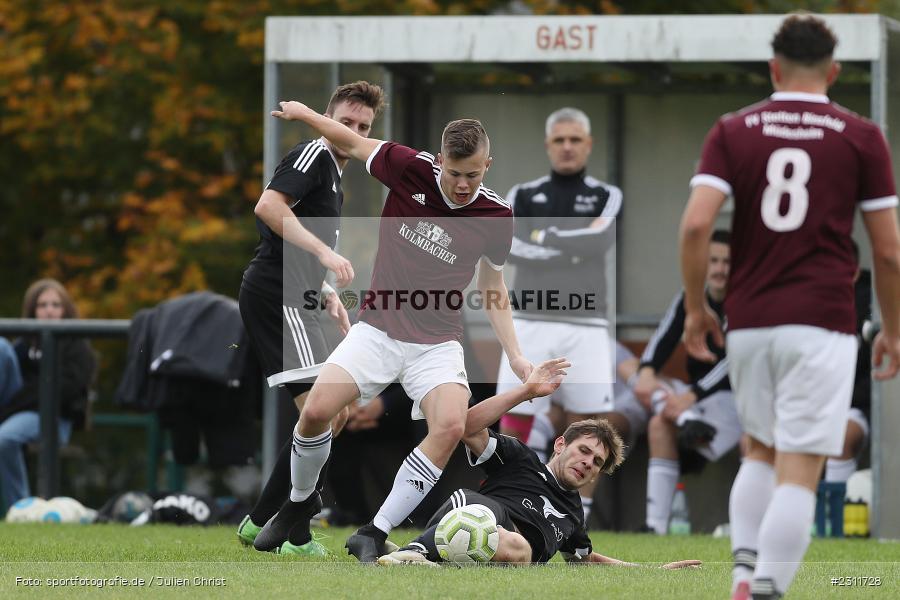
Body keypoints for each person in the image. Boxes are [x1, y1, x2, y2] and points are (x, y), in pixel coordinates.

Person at [679, 14, 900, 599]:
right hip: (823, 322)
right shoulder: (861, 136)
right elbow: (889, 251)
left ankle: (743, 577)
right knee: (801, 467)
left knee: (760, 449)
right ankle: (767, 590)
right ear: (835, 71)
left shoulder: (733, 129)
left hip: (749, 321)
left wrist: (698, 309)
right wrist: (894, 329)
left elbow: (697, 224)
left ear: (773, 69)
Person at [255, 101, 532, 560]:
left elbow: (492, 286)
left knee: (450, 425)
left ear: (488, 166)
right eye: (454, 173)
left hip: (437, 344)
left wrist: (516, 354)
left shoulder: (497, 215)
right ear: (439, 161)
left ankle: (374, 531)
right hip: (378, 330)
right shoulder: (408, 166)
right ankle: (299, 504)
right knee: (316, 412)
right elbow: (349, 140)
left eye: (473, 175)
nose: (463, 185)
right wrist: (305, 114)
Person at [235, 81, 386, 548]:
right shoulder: (314, 154)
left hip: (298, 295)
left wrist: (325, 291)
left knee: (334, 413)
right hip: (276, 294)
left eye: (363, 127)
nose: (353, 131)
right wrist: (324, 253)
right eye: (345, 122)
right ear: (327, 119)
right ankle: (293, 530)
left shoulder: (335, 174)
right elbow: (268, 206)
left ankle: (264, 519)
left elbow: (293, 240)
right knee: (320, 413)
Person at [377, 358, 699, 569]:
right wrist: (525, 392)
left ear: (596, 475)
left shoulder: (574, 516)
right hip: (478, 516)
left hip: (513, 551)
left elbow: (585, 561)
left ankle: (422, 554)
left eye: (597, 462)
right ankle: (416, 552)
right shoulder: (520, 458)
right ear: (560, 445)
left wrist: (654, 570)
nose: (588, 462)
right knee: (475, 508)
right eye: (584, 450)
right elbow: (468, 427)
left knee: (519, 546)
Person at [497, 107, 621, 520]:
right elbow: (510, 245)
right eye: (560, 140)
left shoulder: (606, 195)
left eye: (575, 140)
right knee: (516, 413)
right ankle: (515, 506)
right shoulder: (523, 194)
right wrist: (570, 248)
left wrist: (544, 235)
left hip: (588, 322)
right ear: (548, 145)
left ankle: (575, 519)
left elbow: (600, 240)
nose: (567, 147)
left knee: (591, 426)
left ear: (588, 145)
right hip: (530, 319)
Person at [634, 230, 742, 535]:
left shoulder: (744, 300)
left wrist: (692, 395)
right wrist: (647, 371)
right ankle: (655, 528)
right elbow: (664, 336)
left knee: (755, 442)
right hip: (699, 401)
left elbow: (734, 361)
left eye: (727, 262)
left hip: (741, 400)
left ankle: (751, 528)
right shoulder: (692, 297)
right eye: (713, 261)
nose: (720, 269)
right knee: (658, 422)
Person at [0, 279, 96, 509]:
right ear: (32, 310)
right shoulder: (23, 345)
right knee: (1, 347)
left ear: (65, 309)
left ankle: (22, 507)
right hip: (15, 410)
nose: (49, 310)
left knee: (4, 439)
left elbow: (64, 390)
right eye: (42, 305)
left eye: (55, 304)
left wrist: (21, 401)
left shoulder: (77, 345)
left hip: (54, 417)